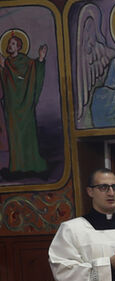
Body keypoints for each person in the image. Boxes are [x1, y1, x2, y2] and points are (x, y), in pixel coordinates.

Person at [0, 31, 49, 179]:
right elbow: (5, 80)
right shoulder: (6, 63)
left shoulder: (26, 62)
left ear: (19, 47)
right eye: (9, 43)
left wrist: (41, 58)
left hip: (26, 105)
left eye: (13, 43)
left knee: (28, 136)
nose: (10, 45)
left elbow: (36, 71)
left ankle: (33, 166)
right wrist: (2, 68)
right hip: (12, 106)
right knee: (14, 137)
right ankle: (17, 168)